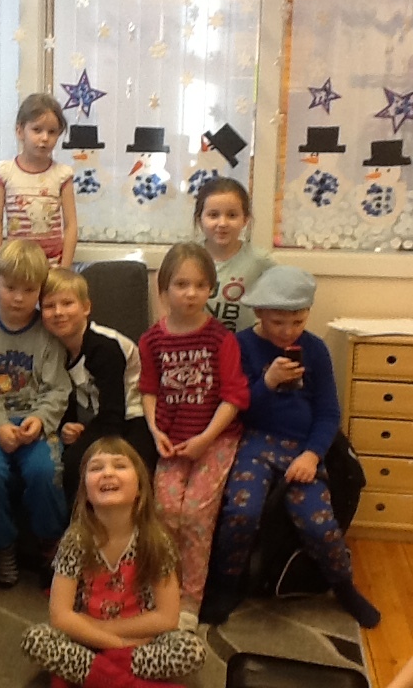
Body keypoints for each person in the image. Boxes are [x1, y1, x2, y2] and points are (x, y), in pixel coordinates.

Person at [205, 265, 380, 628]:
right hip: (254, 441)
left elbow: (329, 412)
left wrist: (312, 455)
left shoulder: (314, 349)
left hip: (302, 447)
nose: (288, 332)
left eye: (298, 322)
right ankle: (226, 584)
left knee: (319, 524)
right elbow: (237, 409)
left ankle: (343, 586)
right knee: (241, 512)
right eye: (278, 322)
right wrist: (267, 383)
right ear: (259, 313)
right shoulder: (241, 345)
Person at [21, 437, 206, 688]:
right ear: (85, 492)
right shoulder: (75, 540)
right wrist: (116, 644)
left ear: (139, 488)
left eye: (119, 465)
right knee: (36, 639)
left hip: (140, 640)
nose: (108, 473)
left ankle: (92, 675)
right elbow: (61, 616)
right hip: (85, 638)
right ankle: (131, 684)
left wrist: (108, 632)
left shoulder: (157, 541)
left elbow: (166, 617)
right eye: (96, 468)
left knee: (190, 650)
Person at [137, 242, 250, 631]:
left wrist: (206, 438)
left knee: (196, 514)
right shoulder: (152, 340)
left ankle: (190, 598)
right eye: (182, 284)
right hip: (172, 441)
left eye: (201, 285)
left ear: (211, 289)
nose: (191, 293)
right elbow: (148, 389)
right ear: (164, 289)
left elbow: (234, 397)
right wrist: (155, 430)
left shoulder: (221, 339)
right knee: (166, 511)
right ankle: (163, 589)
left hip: (215, 440)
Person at [0, 238, 71, 587]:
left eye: (29, 290)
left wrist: (41, 420)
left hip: (35, 422)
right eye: (10, 288)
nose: (19, 298)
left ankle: (50, 544)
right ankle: (2, 547)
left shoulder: (48, 334)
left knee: (45, 471)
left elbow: (58, 388)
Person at [40, 267, 158, 509]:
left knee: (82, 463)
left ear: (86, 307)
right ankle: (79, 526)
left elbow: (113, 413)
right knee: (60, 460)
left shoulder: (104, 347)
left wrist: (87, 439)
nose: (59, 312)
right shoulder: (54, 349)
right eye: (49, 306)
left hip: (133, 418)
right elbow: (64, 395)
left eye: (67, 303)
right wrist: (68, 425)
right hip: (99, 419)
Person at [0, 93, 77, 267]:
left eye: (52, 132)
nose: (45, 138)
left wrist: (65, 268)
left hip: (53, 264)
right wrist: (0, 264)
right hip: (16, 265)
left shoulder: (62, 175)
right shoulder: (4, 172)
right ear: (20, 131)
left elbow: (71, 225)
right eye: (37, 130)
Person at [194, 177, 274, 333]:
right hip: (198, 345)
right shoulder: (187, 258)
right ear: (199, 219)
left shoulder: (260, 261)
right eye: (213, 215)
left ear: (245, 219)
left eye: (232, 215)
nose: (222, 223)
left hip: (242, 345)